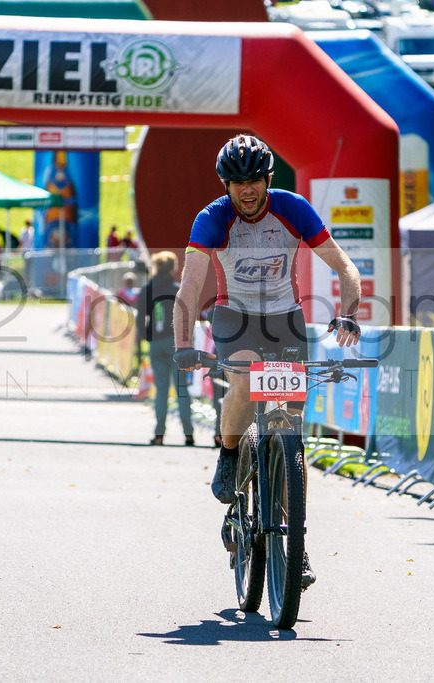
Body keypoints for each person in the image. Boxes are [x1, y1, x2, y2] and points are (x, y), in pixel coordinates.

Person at [173, 134, 362, 587]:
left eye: (254, 180)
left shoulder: (292, 208)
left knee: (286, 433)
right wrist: (183, 344)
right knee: (242, 380)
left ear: (267, 179)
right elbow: (188, 288)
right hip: (234, 317)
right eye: (237, 184)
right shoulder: (212, 219)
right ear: (226, 186)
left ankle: (295, 544)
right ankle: (228, 452)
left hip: (285, 321)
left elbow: (345, 268)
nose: (247, 190)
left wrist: (349, 313)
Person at [136, 251, 195, 447]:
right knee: (181, 389)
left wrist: (148, 337)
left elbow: (139, 318)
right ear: (173, 268)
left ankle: (159, 434)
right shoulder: (177, 289)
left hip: (156, 342)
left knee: (161, 389)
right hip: (177, 344)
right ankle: (188, 434)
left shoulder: (146, 290)